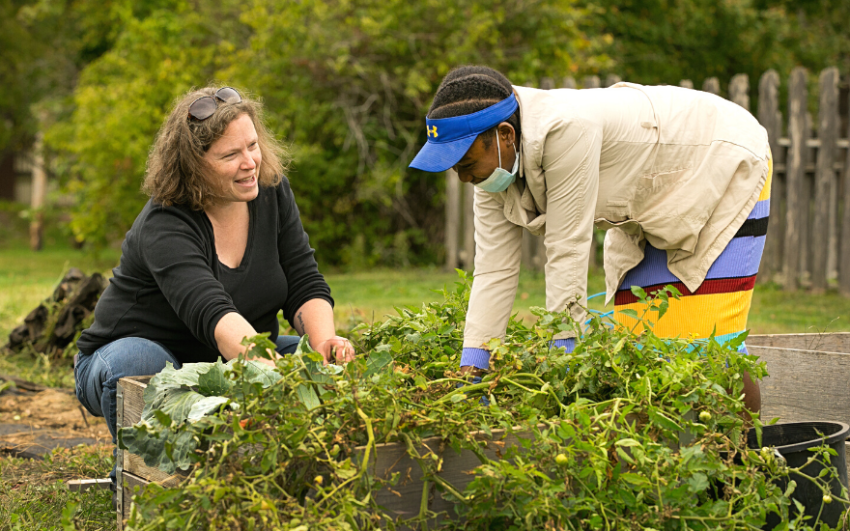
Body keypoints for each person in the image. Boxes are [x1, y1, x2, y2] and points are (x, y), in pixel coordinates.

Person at [409, 66, 770, 413]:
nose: (463, 178)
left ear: (505, 135)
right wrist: (473, 372)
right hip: (651, 205)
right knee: (643, 353)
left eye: (467, 164)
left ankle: (744, 463)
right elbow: (492, 270)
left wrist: (563, 356)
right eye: (455, 168)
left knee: (708, 351)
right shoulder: (493, 170)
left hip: (722, 162)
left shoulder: (565, 130)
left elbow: (567, 249)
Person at [74, 86, 355, 490]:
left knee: (323, 362)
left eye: (253, 146)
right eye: (230, 156)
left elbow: (303, 279)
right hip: (134, 358)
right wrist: (268, 373)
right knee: (139, 360)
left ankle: (291, 477)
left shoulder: (271, 193)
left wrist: (324, 342)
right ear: (193, 166)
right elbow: (211, 311)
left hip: (228, 359)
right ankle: (150, 479)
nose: (250, 163)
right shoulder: (165, 222)